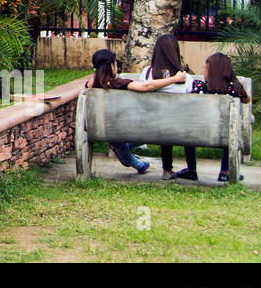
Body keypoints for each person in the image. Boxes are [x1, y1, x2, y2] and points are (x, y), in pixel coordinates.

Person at [85, 48, 187, 173]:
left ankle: (140, 166)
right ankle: (139, 164)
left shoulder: (90, 85)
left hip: (99, 128)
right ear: (111, 66)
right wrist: (175, 79)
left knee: (119, 144)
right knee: (140, 134)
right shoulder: (117, 83)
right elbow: (147, 86)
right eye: (116, 64)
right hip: (123, 129)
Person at [187, 53, 250, 182]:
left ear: (210, 71)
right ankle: (225, 171)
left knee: (189, 127)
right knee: (229, 129)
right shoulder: (234, 90)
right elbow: (247, 100)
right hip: (223, 135)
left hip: (197, 134)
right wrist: (234, 81)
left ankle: (192, 170)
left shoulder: (198, 87)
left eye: (205, 68)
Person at [139, 33, 194, 179]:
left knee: (164, 120)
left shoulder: (147, 73)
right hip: (181, 128)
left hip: (151, 124)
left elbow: (146, 87)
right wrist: (175, 79)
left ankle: (167, 169)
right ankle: (191, 169)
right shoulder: (186, 79)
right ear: (175, 52)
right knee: (175, 120)